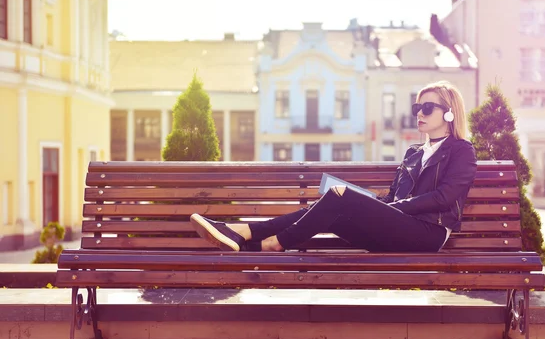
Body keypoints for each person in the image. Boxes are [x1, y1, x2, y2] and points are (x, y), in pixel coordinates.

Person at [190, 81, 477, 253]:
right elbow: (392, 198)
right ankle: (245, 235)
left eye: (427, 108)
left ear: (449, 113)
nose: (419, 114)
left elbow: (444, 197)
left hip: (428, 234)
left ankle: (264, 241)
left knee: (339, 197)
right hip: (396, 230)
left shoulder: (461, 151)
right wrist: (372, 202)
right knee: (331, 205)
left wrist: (393, 209)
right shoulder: (414, 153)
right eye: (417, 108)